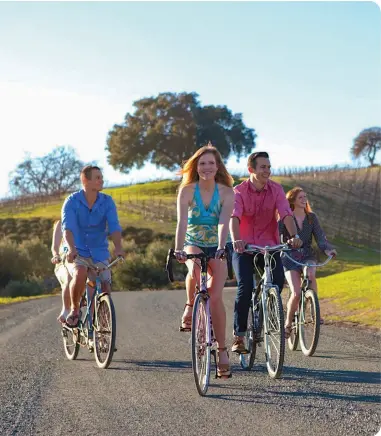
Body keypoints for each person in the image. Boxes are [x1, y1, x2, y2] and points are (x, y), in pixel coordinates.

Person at [229, 151, 303, 353]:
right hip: (244, 247)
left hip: (269, 247)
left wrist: (294, 235)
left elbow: (285, 213)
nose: (267, 171)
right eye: (263, 167)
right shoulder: (239, 191)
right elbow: (234, 217)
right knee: (244, 288)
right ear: (251, 169)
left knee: (278, 281)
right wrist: (236, 240)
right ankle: (239, 336)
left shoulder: (276, 189)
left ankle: (265, 313)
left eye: (269, 167)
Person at [174, 143, 234, 378]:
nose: (207, 167)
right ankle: (191, 305)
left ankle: (221, 352)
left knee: (216, 297)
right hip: (193, 241)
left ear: (217, 166)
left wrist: (221, 246)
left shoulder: (227, 192)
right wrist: (179, 249)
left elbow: (224, 222)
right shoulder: (188, 190)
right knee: (195, 267)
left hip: (217, 243)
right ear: (196, 167)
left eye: (211, 163)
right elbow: (181, 223)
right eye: (202, 163)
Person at [61, 165, 125, 327]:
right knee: (80, 272)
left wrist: (118, 247)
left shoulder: (107, 202)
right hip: (78, 250)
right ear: (85, 181)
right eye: (97, 177)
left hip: (99, 251)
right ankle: (75, 310)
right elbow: (67, 228)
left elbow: (114, 226)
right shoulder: (72, 202)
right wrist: (71, 248)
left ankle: (103, 327)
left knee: (105, 284)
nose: (101, 180)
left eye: (101, 177)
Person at [279, 187, 337, 336]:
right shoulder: (285, 217)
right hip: (289, 256)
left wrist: (328, 249)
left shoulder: (311, 218)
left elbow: (320, 237)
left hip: (307, 254)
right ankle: (288, 323)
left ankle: (314, 311)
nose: (304, 200)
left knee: (310, 274)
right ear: (292, 200)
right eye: (300, 197)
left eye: (305, 197)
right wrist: (287, 243)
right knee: (296, 292)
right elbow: (277, 237)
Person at [51, 219, 72, 323]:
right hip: (62, 262)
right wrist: (56, 255)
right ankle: (66, 309)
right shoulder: (61, 223)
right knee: (70, 277)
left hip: (80, 260)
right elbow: (54, 247)